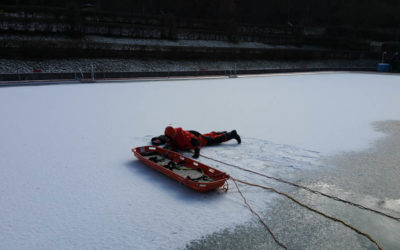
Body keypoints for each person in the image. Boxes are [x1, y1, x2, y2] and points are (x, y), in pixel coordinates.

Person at [151, 126, 241, 158]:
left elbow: (197, 143)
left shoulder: (185, 137)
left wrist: (196, 152)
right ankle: (221, 133)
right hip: (193, 133)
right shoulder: (170, 134)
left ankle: (231, 134)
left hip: (196, 138)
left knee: (213, 140)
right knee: (208, 135)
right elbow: (164, 137)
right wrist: (157, 140)